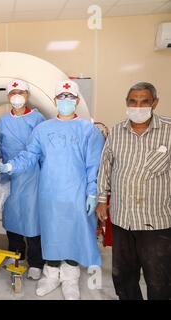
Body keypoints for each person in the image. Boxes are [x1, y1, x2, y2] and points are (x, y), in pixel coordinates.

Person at [0, 80, 105, 300]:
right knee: (52, 233)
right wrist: (9, 165)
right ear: (55, 101)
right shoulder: (42, 129)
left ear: (77, 100)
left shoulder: (88, 130)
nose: (66, 101)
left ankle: (70, 278)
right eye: (62, 98)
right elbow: (29, 155)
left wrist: (93, 192)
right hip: (49, 191)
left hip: (76, 192)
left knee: (73, 234)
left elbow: (94, 165)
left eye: (70, 97)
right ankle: (51, 275)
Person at [96, 82, 171, 300]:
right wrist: (102, 200)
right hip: (122, 219)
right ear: (126, 103)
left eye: (144, 102)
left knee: (159, 278)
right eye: (133, 102)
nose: (138, 107)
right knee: (123, 276)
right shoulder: (117, 131)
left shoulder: (168, 130)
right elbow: (105, 167)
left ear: (154, 103)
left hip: (156, 220)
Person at [0, 80, 46, 280]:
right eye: (13, 92)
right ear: (8, 96)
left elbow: (39, 150)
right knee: (12, 216)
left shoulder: (38, 119)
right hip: (9, 176)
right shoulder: (1, 121)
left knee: (32, 219)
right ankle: (16, 253)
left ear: (27, 95)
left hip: (32, 175)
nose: (16, 95)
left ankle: (35, 262)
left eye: (20, 92)